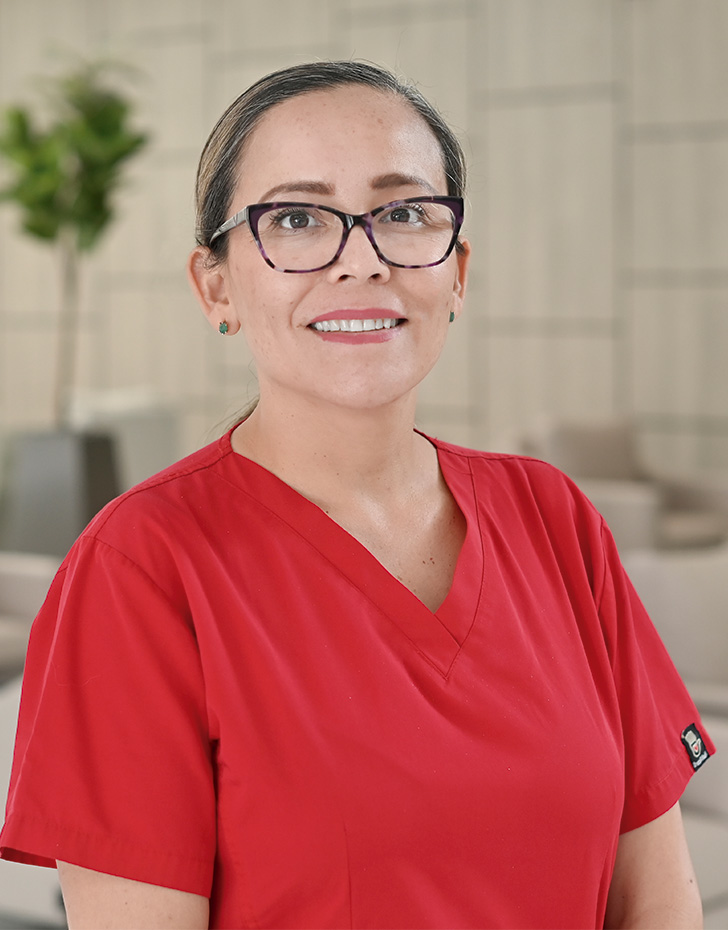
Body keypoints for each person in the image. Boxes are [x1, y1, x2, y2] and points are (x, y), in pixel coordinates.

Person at [0, 60, 715, 930]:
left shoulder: (554, 517)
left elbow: (659, 903)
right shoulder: (141, 569)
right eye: (297, 218)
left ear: (456, 272)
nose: (361, 259)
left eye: (405, 212)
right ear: (216, 285)